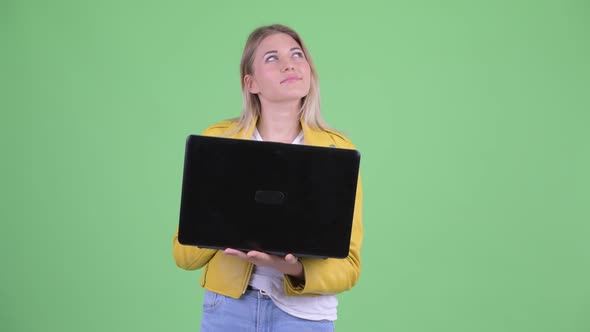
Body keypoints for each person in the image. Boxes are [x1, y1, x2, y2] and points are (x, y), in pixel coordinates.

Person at [173, 24, 363, 332]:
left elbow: (349, 267)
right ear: (251, 83)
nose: (289, 63)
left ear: (309, 71)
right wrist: (223, 220)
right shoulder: (219, 142)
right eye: (272, 58)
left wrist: (293, 269)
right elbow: (183, 255)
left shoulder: (336, 151)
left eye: (297, 54)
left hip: (305, 317)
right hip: (228, 311)